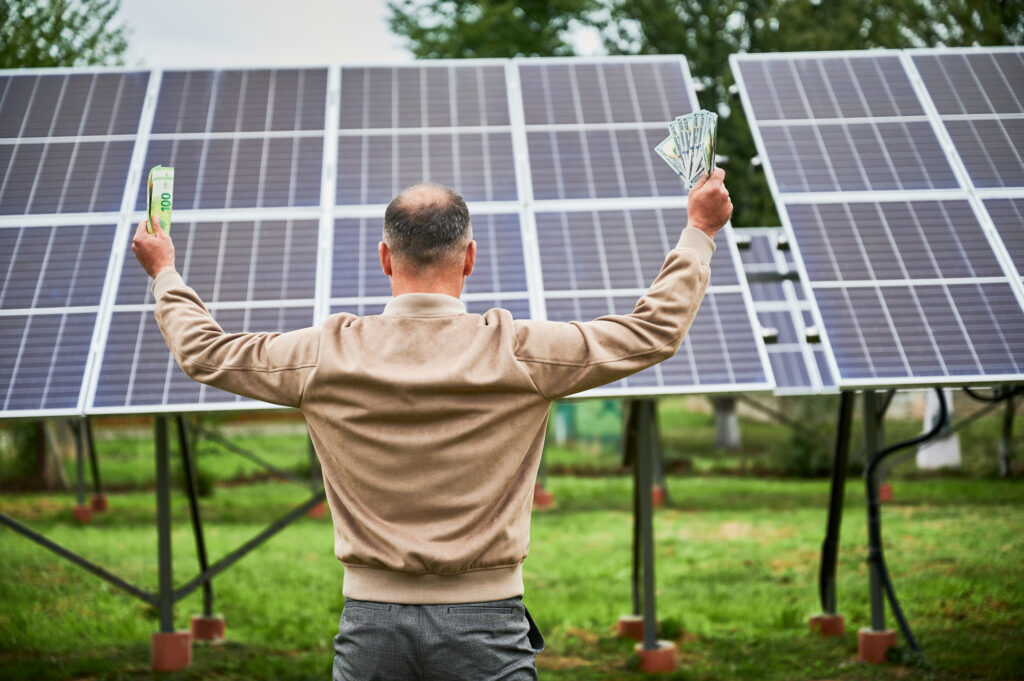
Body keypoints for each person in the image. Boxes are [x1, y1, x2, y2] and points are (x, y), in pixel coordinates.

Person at [132, 170, 732, 681]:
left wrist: (165, 272)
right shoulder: (520, 352)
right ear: (469, 257)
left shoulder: (325, 354)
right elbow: (651, 333)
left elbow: (205, 353)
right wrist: (699, 233)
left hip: (370, 628)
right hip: (488, 623)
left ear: (384, 257)